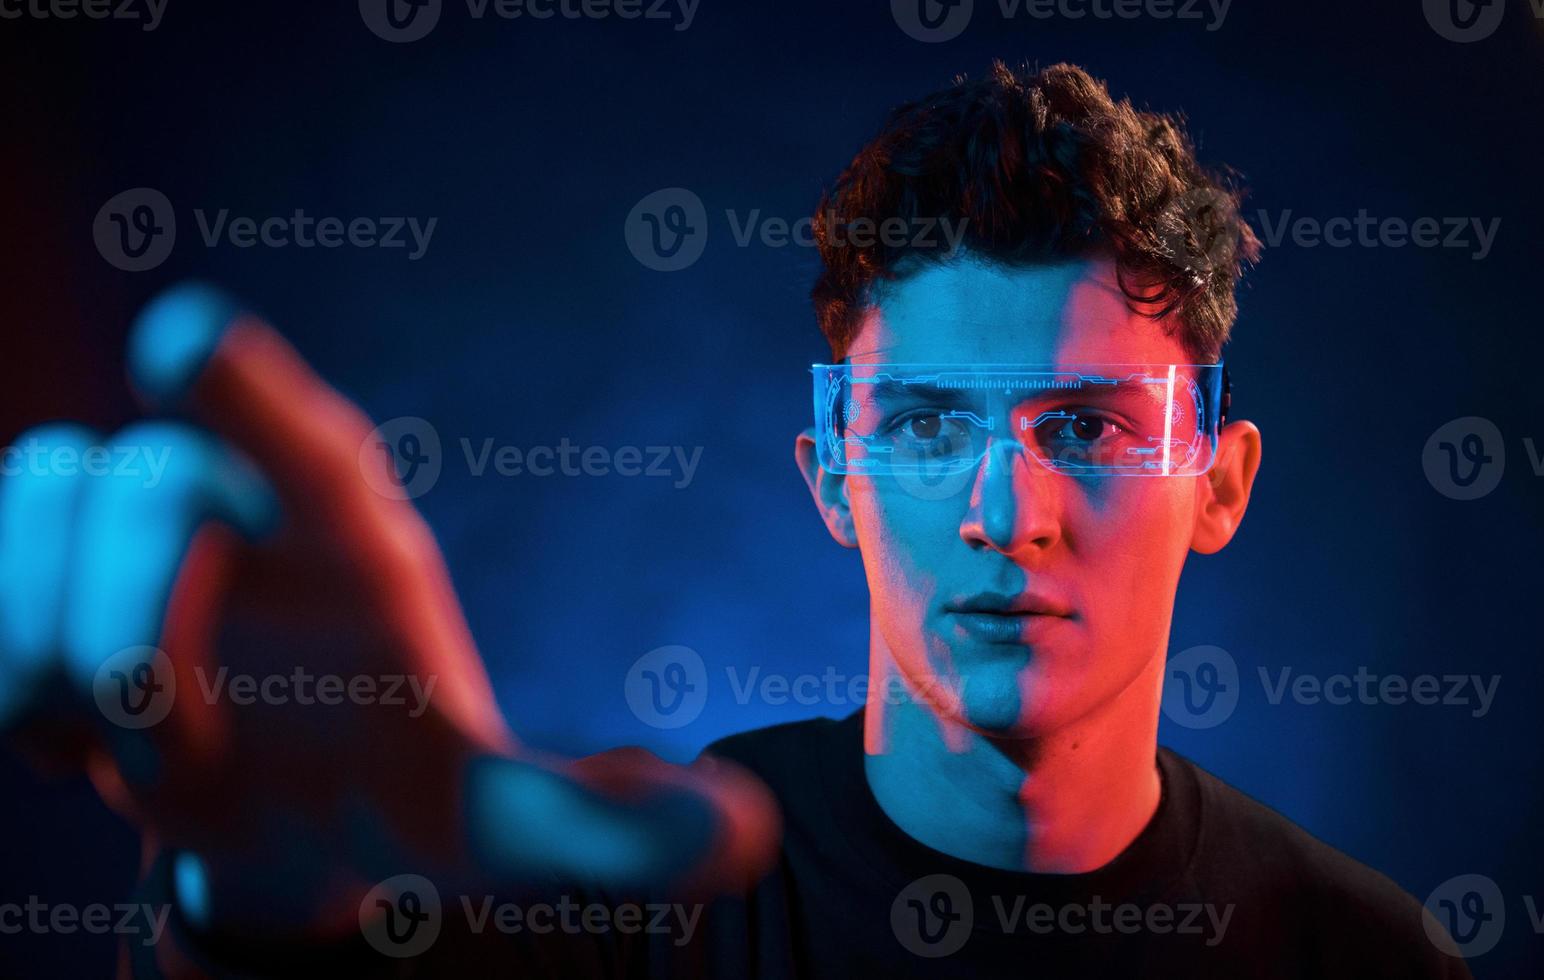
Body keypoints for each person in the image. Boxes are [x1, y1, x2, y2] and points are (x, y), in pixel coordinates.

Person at [0, 61, 1471, 978]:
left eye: (1083, 428)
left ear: (1218, 481)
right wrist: (257, 904)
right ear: (833, 473)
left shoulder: (1370, 959)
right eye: (925, 424)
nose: (1004, 514)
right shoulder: (636, 909)